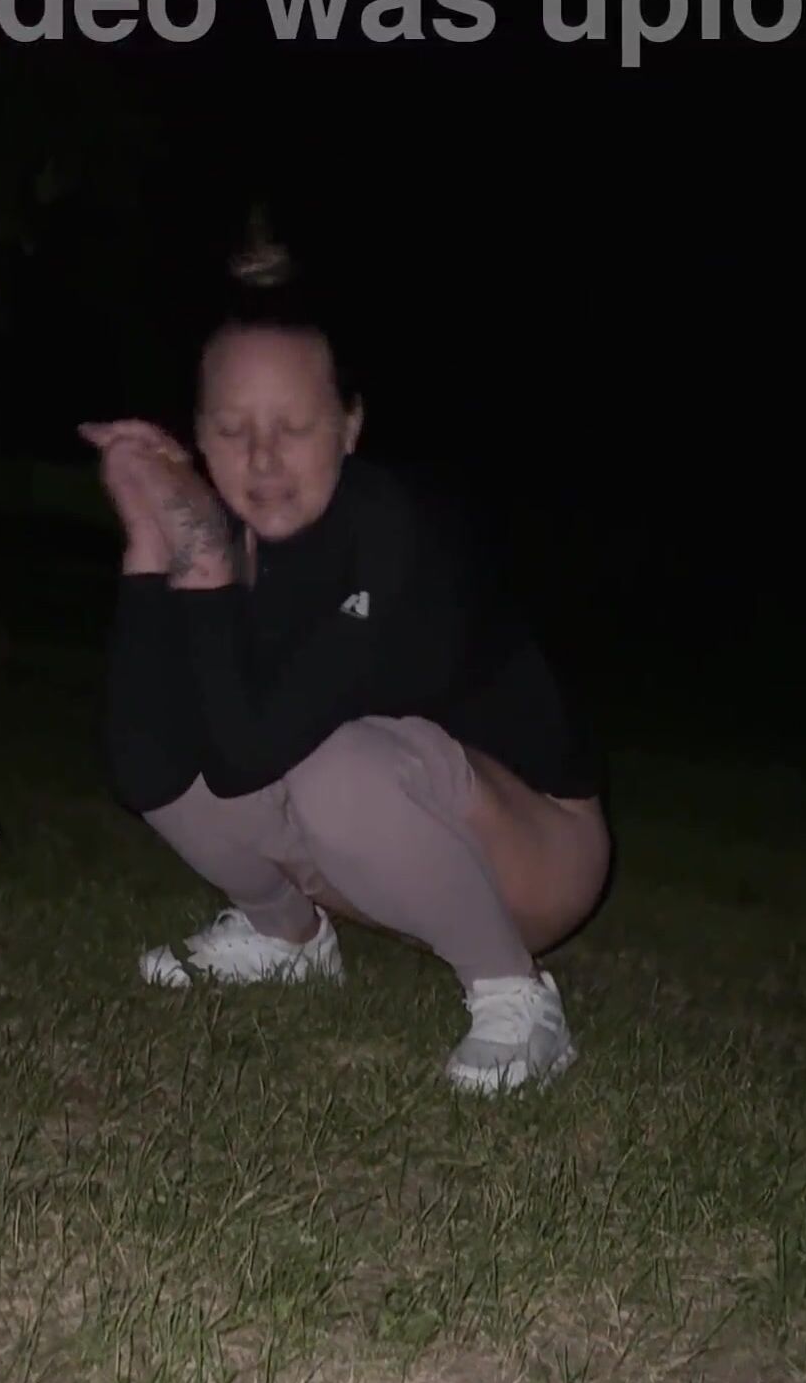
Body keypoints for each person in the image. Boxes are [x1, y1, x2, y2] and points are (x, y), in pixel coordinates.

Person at [80, 238, 612, 1095]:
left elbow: (251, 751)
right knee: (200, 747)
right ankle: (285, 936)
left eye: (293, 428)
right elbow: (140, 762)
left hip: (536, 854)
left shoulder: (394, 534)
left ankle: (514, 993)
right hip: (371, 850)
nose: (262, 460)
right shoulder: (221, 531)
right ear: (197, 435)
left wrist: (204, 565)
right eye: (232, 430)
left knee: (331, 768)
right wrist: (149, 538)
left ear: (349, 426)